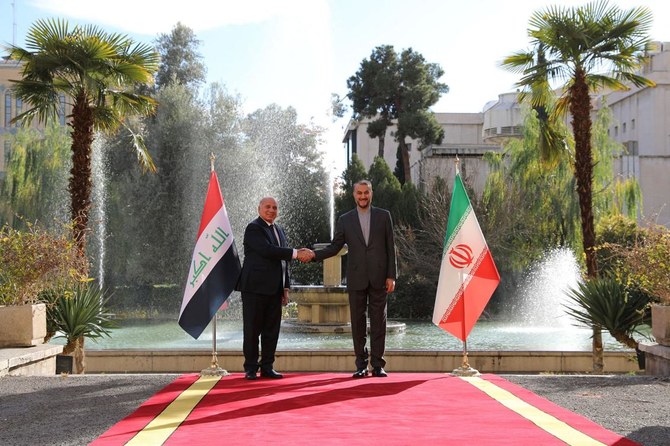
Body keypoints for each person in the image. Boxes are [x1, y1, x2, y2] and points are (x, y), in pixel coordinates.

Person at [309, 180, 397, 378]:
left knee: (378, 323)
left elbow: (391, 248)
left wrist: (392, 275)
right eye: (359, 193)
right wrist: (314, 255)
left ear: (371, 194)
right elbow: (334, 247)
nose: (363, 196)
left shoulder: (384, 216)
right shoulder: (345, 219)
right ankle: (360, 365)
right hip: (356, 278)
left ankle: (378, 365)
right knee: (357, 323)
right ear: (354, 195)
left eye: (366, 193)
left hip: (380, 278)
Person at [238, 196, 312, 380]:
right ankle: (250, 368)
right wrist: (297, 253)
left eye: (275, 207)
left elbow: (283, 262)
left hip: (274, 290)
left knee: (272, 330)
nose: (271, 210)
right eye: (268, 207)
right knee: (252, 330)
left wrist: (285, 288)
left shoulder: (279, 230)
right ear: (259, 209)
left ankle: (267, 367)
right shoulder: (253, 228)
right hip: (254, 289)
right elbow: (267, 250)